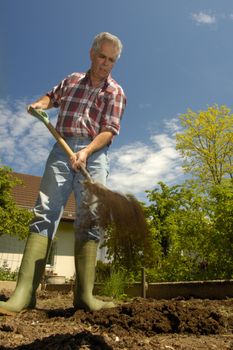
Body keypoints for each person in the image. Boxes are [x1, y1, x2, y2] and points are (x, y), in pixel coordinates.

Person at [0, 32, 126, 313]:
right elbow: (51, 97)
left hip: (94, 155)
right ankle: (23, 293)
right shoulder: (71, 80)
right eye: (102, 56)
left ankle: (84, 297)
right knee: (45, 211)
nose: (106, 63)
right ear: (92, 54)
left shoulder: (115, 92)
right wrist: (40, 105)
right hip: (62, 147)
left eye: (111, 60)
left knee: (89, 218)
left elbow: (108, 131)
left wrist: (87, 151)